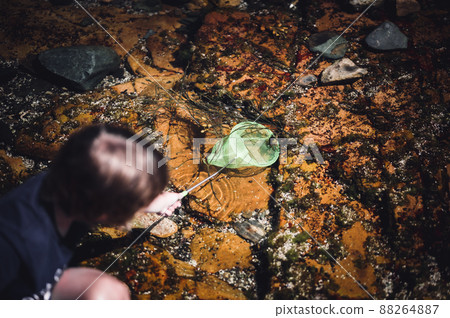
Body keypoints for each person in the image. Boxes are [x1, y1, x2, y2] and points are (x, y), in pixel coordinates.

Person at [0, 124, 182, 299]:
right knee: (103, 296)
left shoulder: (70, 181)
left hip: (44, 275)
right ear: (107, 213)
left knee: (111, 292)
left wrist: (153, 201)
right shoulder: (13, 243)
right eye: (133, 207)